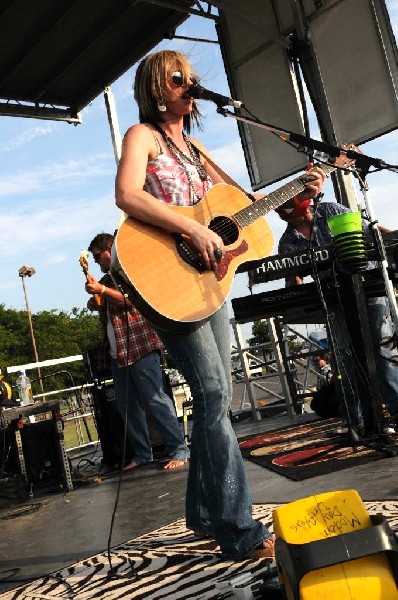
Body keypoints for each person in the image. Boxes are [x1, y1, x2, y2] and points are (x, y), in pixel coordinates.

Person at [112, 49, 325, 560]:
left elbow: (239, 207)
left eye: (190, 77)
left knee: (216, 399)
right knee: (211, 396)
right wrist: (189, 227)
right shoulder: (141, 136)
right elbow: (126, 194)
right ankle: (237, 530)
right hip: (166, 276)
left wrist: (300, 188)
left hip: (210, 283)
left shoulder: (199, 149)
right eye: (177, 77)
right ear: (156, 88)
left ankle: (201, 515)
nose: (188, 83)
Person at [276, 197, 398, 433]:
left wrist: (393, 240)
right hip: (333, 298)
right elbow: (293, 279)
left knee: (382, 348)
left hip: (368, 285)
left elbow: (368, 229)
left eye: (288, 208)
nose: (284, 214)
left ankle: (396, 409)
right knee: (344, 358)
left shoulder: (331, 209)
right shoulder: (287, 242)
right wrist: (292, 291)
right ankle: (355, 421)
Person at [85, 232, 190, 471]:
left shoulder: (127, 269)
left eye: (98, 256)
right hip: (118, 350)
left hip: (140, 345)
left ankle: (180, 450)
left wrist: (100, 290)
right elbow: (108, 302)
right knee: (127, 405)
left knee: (155, 399)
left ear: (109, 249)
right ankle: (143, 454)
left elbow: (129, 300)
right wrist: (96, 299)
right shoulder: (108, 278)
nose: (97, 261)